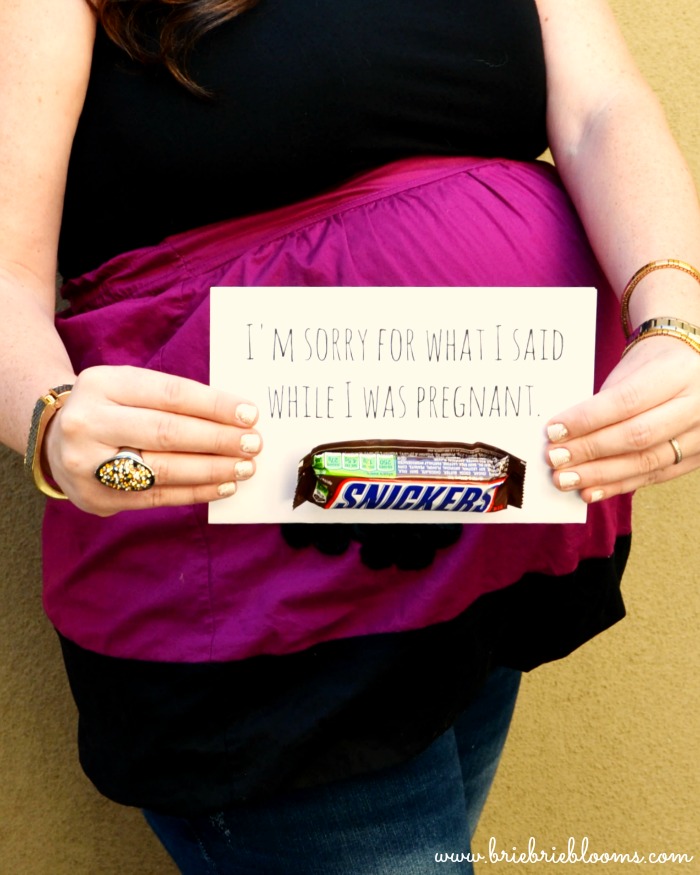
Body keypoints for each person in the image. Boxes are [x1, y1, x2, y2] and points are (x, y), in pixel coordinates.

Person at [2, 0, 699, 872]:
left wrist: (677, 322)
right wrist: (48, 417)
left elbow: (603, 108)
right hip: (261, 628)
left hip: (488, 558)